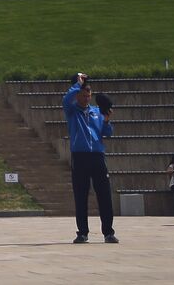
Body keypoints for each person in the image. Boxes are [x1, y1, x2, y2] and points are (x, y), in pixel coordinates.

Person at [63, 73, 116, 244]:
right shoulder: (72, 111)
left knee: (105, 195)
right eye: (83, 95)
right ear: (78, 94)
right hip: (80, 157)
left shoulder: (96, 112)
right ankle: (82, 232)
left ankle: (108, 232)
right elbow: (66, 99)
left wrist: (107, 121)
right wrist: (77, 84)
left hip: (97, 156)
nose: (86, 99)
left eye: (88, 96)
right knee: (81, 195)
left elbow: (107, 133)